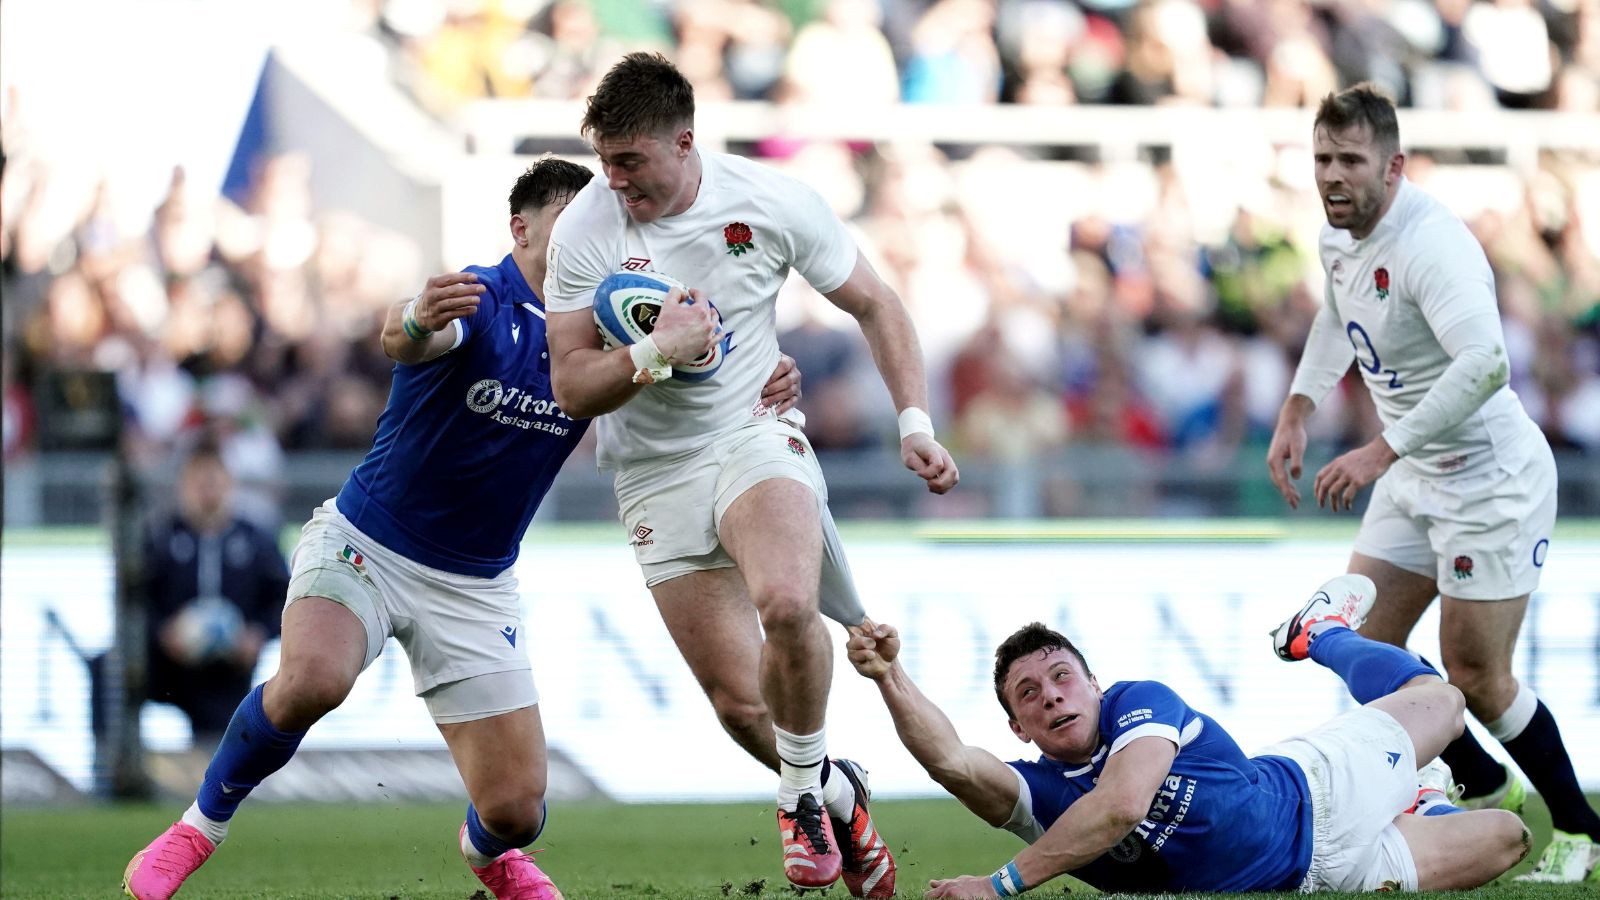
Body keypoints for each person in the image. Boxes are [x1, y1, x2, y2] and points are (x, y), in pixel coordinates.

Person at [121, 158, 804, 900]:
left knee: (516, 810)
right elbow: (408, 334)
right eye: (570, 222)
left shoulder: (613, 328)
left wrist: (767, 379)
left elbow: (704, 381)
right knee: (313, 680)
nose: (590, 238)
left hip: (475, 585)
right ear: (521, 229)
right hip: (369, 544)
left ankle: (488, 854)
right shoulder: (481, 297)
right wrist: (413, 319)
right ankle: (197, 828)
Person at [543, 52, 958, 895]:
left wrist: (913, 422)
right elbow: (572, 387)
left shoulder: (769, 201)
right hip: (653, 472)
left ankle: (798, 798)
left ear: (684, 142)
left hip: (753, 433)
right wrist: (656, 351)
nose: (612, 179)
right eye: (603, 161)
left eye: (628, 160)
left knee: (787, 602)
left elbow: (876, 303)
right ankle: (834, 789)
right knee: (740, 706)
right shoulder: (586, 227)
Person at [1264, 83, 1599, 882]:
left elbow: (1487, 363)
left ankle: (1581, 830)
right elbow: (1335, 313)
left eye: (1351, 160)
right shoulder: (1339, 234)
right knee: (1369, 646)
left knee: (1477, 675)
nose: (1333, 175)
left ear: (1395, 166)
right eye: (1323, 158)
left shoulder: (1433, 245)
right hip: (1416, 471)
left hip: (1490, 480)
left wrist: (1380, 451)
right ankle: (1479, 778)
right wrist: (1299, 405)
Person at [844, 574, 1531, 896]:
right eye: (1029, 694)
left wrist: (996, 887)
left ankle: (1321, 633)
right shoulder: (1039, 793)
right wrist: (887, 675)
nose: (1051, 695)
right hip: (1320, 877)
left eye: (1061, 677)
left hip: (1322, 790)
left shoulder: (1138, 702)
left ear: (1095, 684)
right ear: (1017, 728)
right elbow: (951, 760)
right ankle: (1422, 797)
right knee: (1507, 837)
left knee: (1444, 701)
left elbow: (1123, 805)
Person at [92, 437, 287, 745]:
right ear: (183, 486)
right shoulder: (159, 538)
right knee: (107, 667)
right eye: (199, 482)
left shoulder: (256, 541)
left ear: (230, 485)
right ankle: (112, 761)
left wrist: (257, 634)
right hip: (165, 661)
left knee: (221, 750)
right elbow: (132, 598)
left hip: (226, 667)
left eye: (214, 481)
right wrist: (163, 632)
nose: (207, 490)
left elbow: (285, 600)